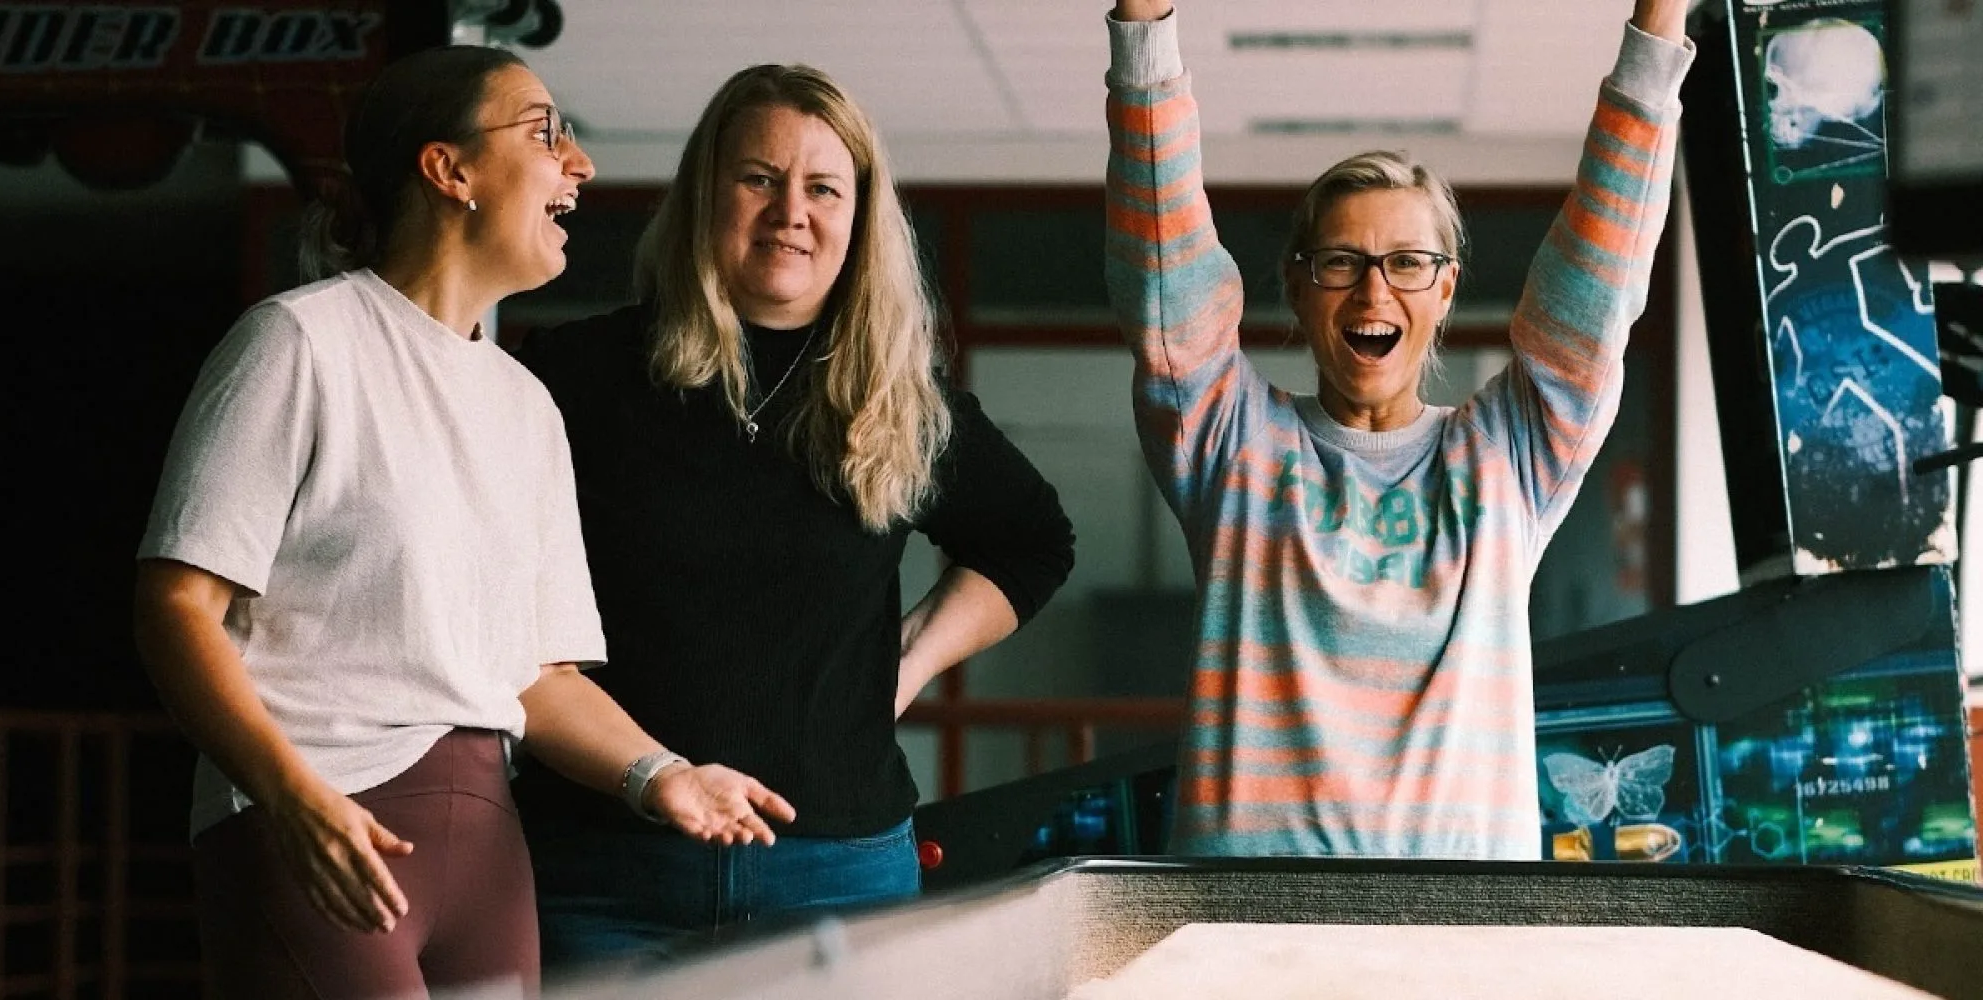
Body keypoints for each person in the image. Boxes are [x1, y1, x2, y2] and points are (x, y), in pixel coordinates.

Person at [133, 46, 791, 999]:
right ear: (450, 171)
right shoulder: (300, 343)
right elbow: (176, 605)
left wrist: (664, 775)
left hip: (488, 847)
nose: (581, 164)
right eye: (545, 131)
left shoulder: (526, 404)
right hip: (323, 823)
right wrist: (288, 797)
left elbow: (537, 677)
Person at [511, 63, 1076, 967]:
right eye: (758, 179)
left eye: (822, 187)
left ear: (859, 217)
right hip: (604, 867)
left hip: (838, 869)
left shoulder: (897, 400)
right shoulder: (578, 375)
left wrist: (910, 661)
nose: (791, 212)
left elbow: (1032, 543)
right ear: (705, 193)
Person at [1103, 0, 1693, 859]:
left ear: (1445, 291)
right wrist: (1144, 24)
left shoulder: (1505, 457)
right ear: (1299, 292)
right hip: (1247, 934)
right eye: (1340, 263)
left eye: (1408, 264)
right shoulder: (1234, 446)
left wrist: (1661, 19)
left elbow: (1595, 293)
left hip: (1459, 939)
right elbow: (1164, 275)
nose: (1374, 293)